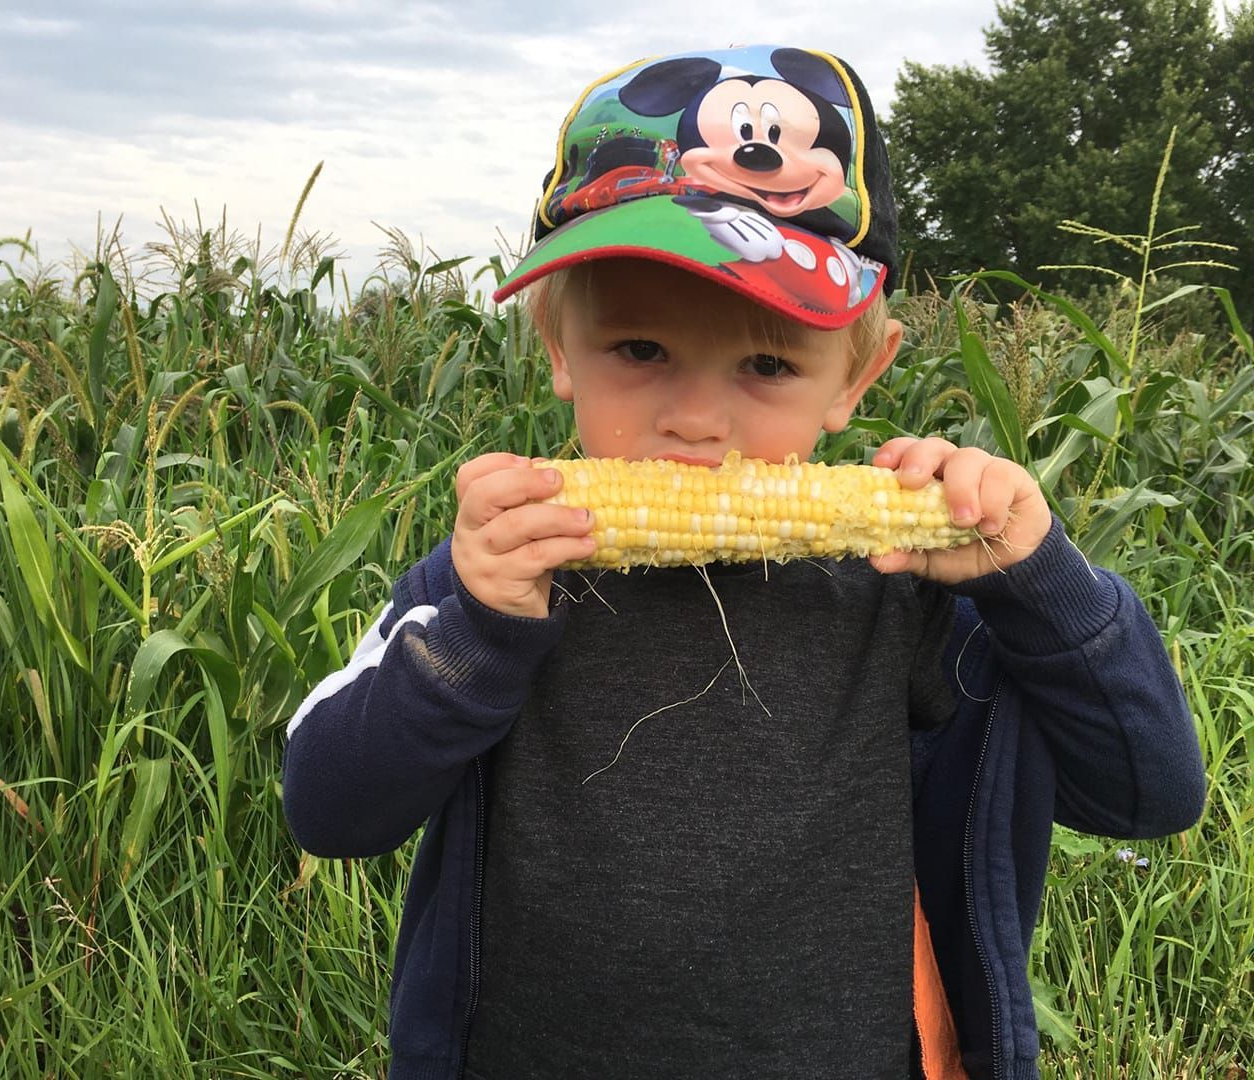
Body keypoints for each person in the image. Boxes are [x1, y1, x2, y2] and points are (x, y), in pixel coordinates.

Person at [282, 45, 1205, 1080]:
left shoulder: (895, 590)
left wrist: (1039, 582)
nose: (696, 421)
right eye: (640, 352)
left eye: (767, 365)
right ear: (555, 345)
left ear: (859, 374)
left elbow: (1147, 793)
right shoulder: (492, 581)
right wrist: (473, 635)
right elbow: (328, 810)